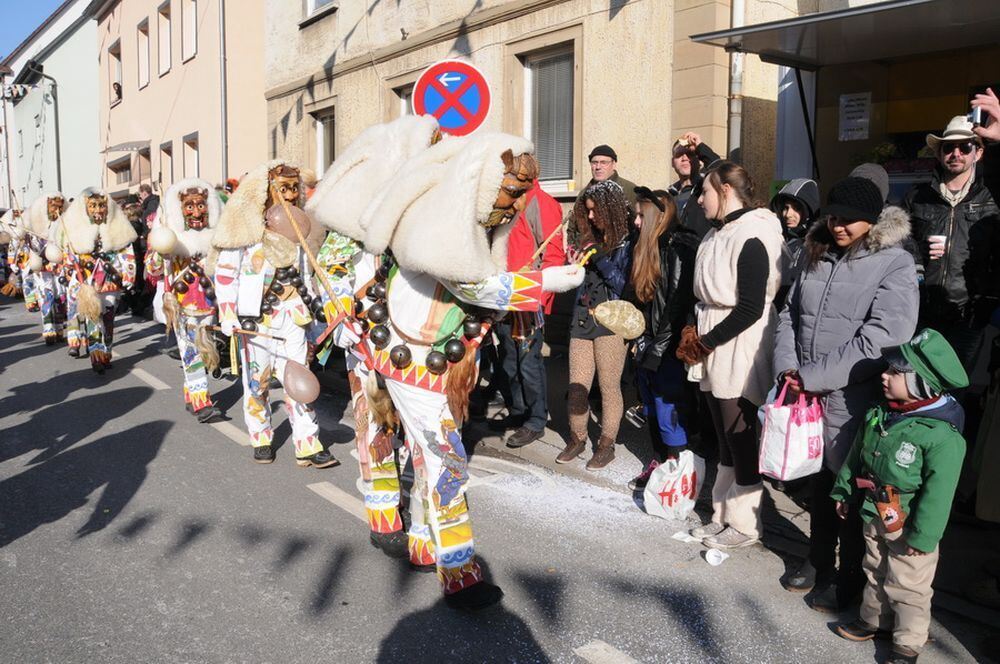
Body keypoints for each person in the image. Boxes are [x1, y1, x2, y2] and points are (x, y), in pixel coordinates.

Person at [359, 132, 584, 610]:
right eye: (511, 190)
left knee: (426, 455)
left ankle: (422, 537)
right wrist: (545, 280)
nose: (519, 201)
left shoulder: (476, 225)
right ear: (481, 185)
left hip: (439, 364)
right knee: (447, 458)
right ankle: (459, 570)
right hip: (412, 363)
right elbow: (473, 285)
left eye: (524, 190)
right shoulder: (441, 222)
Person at [773, 176, 920, 610]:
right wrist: (788, 368)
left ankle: (850, 577)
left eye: (850, 221)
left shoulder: (893, 262)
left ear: (872, 222)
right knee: (818, 485)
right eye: (833, 217)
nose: (838, 227)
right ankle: (818, 560)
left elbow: (884, 336)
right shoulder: (816, 252)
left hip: (854, 396)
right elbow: (790, 314)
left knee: (853, 492)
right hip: (805, 390)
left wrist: (814, 375)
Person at [306, 114, 441, 563]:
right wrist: (349, 316)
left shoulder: (428, 221)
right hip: (369, 342)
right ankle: (384, 515)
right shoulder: (351, 229)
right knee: (377, 428)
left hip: (422, 348)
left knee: (426, 438)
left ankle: (427, 524)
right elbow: (329, 280)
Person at [831, 329, 968, 664]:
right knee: (874, 566)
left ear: (921, 382)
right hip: (875, 510)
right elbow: (855, 456)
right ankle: (874, 619)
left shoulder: (941, 437)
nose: (884, 375)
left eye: (895, 372)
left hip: (911, 523)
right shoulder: (882, 413)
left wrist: (924, 536)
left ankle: (908, 642)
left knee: (909, 583)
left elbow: (940, 493)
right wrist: (845, 491)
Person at [679, 161, 784, 549]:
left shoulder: (753, 233)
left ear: (724, 191)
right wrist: (696, 330)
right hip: (714, 337)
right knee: (722, 433)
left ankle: (746, 523)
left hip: (738, 340)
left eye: (704, 192)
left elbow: (751, 307)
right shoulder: (718, 232)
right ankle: (723, 514)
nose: (699, 200)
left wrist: (707, 340)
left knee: (739, 432)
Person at [211, 161, 338, 468]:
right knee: (258, 382)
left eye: (295, 188)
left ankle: (308, 442)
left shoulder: (301, 232)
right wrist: (228, 314)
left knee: (298, 379)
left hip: (293, 317)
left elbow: (308, 278)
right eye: (283, 189)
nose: (291, 196)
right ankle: (261, 436)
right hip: (255, 323)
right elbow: (226, 274)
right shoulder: (247, 236)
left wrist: (317, 318)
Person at [904, 115, 1000, 376]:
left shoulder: (991, 196)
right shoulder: (918, 196)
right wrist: (917, 255)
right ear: (939, 153)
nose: (956, 153)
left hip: (968, 314)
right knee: (917, 383)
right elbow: (896, 235)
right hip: (922, 310)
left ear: (978, 153)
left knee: (956, 384)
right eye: (949, 147)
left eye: (965, 147)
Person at [556, 180, 635, 471]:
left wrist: (599, 258)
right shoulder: (587, 238)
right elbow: (578, 280)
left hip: (611, 321)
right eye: (587, 212)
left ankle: (606, 444)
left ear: (609, 210)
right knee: (577, 386)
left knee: (609, 386)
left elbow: (623, 285)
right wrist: (573, 264)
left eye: (594, 212)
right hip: (582, 317)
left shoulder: (627, 242)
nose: (590, 218)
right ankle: (577, 439)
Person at [625, 186, 698, 490]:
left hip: (668, 345)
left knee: (668, 407)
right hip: (649, 340)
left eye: (642, 216)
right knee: (651, 406)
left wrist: (656, 347)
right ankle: (659, 461)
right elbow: (643, 301)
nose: (637, 222)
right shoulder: (645, 247)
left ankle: (678, 468)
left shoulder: (678, 246)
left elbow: (675, 304)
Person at [489, 176, 566, 449]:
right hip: (505, 295)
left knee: (528, 364)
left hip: (527, 297)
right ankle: (519, 411)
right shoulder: (507, 201)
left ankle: (535, 420)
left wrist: (540, 298)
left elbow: (554, 255)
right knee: (510, 361)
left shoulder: (542, 202)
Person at [145, 179, 226, 424]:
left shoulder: (216, 238)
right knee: (191, 351)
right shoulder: (172, 237)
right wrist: (161, 250)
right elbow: (152, 268)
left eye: (201, 206)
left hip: (209, 303)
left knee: (202, 348)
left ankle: (191, 395)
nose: (196, 212)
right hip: (182, 304)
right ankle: (202, 401)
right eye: (189, 207)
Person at [55, 189, 138, 373]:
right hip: (87, 283)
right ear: (86, 208)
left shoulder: (117, 229)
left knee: (108, 319)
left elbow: (127, 253)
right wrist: (71, 266)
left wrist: (128, 275)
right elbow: (69, 256)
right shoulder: (76, 231)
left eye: (101, 205)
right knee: (92, 317)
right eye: (93, 206)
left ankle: (106, 350)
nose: (98, 210)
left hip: (109, 283)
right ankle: (96, 354)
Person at [21, 193, 67, 344]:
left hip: (60, 266)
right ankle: (48, 328)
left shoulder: (64, 224)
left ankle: (59, 326)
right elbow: (32, 244)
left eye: (59, 207)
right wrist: (45, 252)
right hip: (44, 267)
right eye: (53, 206)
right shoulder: (37, 225)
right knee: (46, 295)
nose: (57, 210)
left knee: (60, 296)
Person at [768, 178, 818, 308]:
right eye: (785, 208)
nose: (788, 214)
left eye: (796, 208)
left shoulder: (816, 244)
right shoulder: (775, 236)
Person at [668, 132, 721, 239]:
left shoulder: (707, 189)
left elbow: (723, 170)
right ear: (672, 163)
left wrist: (700, 147)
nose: (684, 158)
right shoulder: (669, 195)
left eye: (690, 154)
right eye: (679, 154)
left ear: (699, 161)